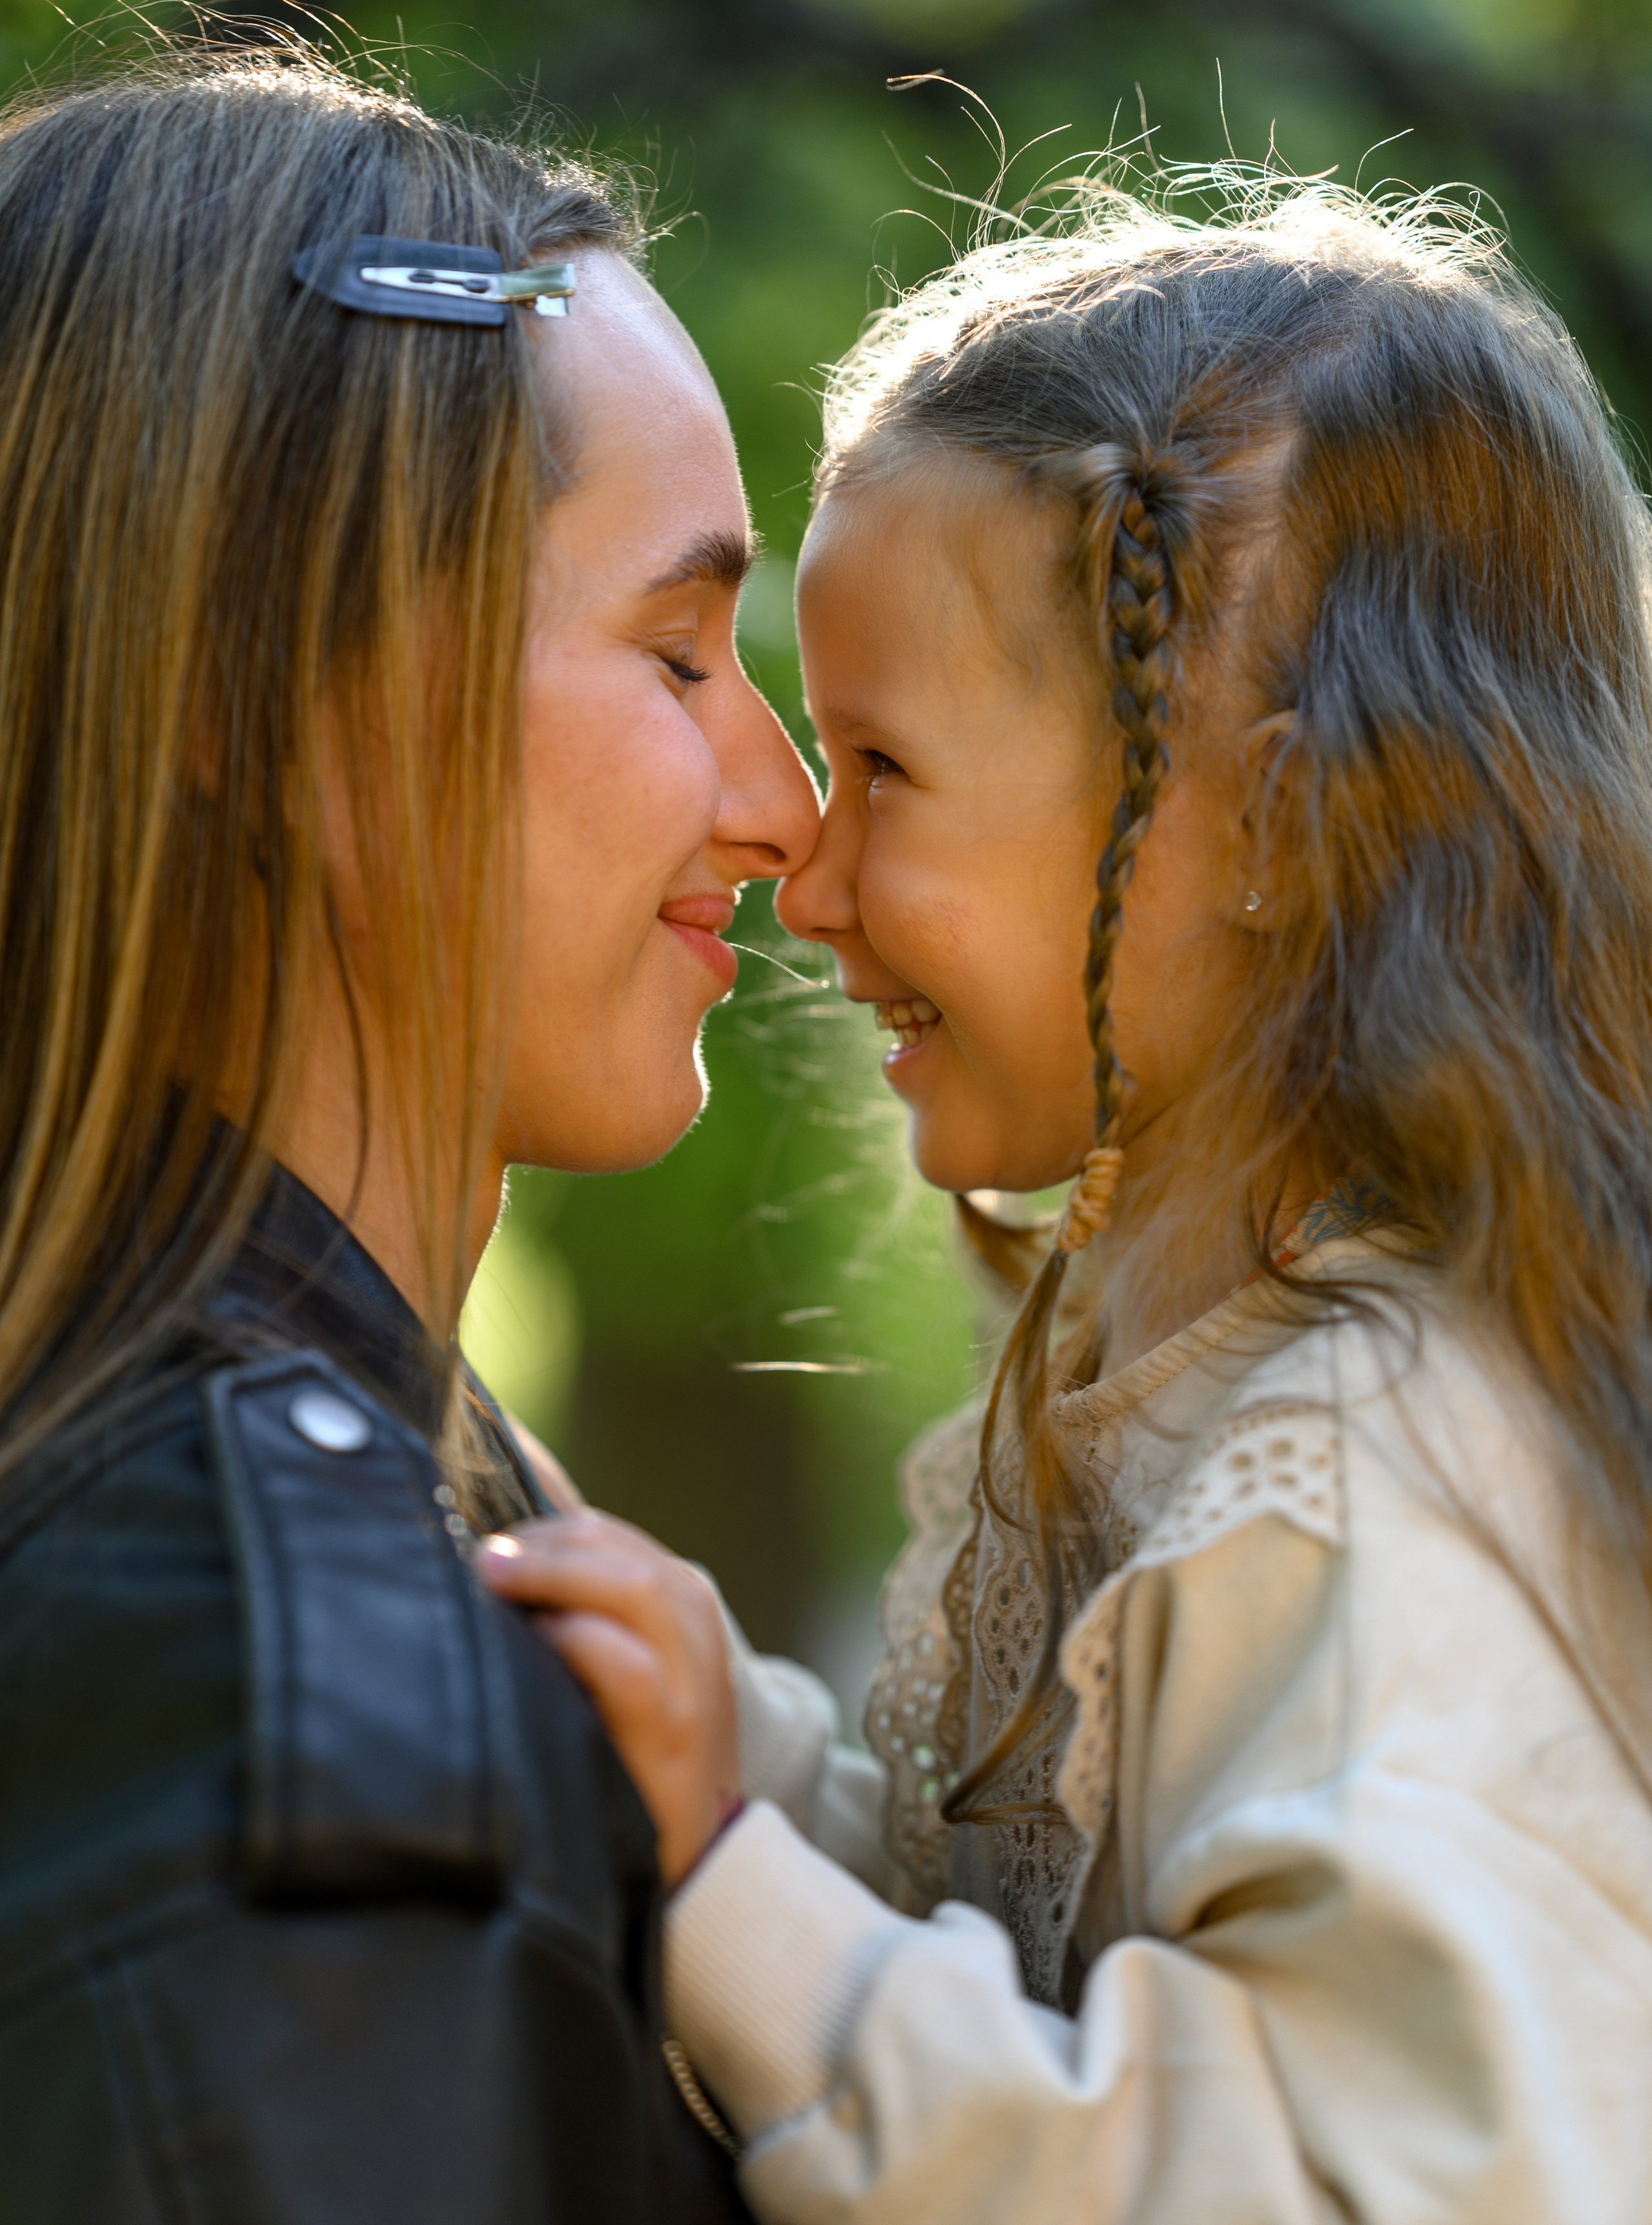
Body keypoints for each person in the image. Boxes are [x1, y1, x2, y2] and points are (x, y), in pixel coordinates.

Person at [480, 180, 1652, 2221]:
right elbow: (1028, 1964)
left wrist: (730, 1890)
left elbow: (1336, 2180)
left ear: (1280, 821)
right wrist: (725, 1765)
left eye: (885, 769)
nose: (806, 880)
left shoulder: (1374, 1491)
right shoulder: (1196, 1366)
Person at [0, 39, 817, 2222]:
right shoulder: (285, 1717)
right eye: (676, 654)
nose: (786, 808)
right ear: (261, 687)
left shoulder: (253, 1588)